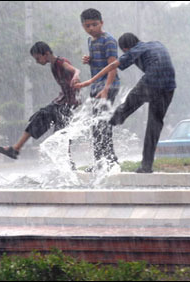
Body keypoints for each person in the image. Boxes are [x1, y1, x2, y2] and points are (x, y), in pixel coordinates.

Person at [75, 32, 176, 173]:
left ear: (125, 49)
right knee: (154, 126)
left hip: (150, 82)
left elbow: (112, 66)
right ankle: (146, 166)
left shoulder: (134, 50)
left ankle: (106, 126)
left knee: (123, 110)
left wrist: (91, 81)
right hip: (169, 87)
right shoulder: (156, 44)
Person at [0, 41, 81, 166]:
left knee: (61, 134)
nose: (37, 61)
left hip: (67, 104)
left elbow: (75, 70)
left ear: (47, 54)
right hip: (62, 102)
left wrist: (76, 76)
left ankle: (68, 162)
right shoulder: (53, 65)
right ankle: (16, 149)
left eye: (38, 58)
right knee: (51, 127)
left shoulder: (60, 62)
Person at [80, 8, 120, 171]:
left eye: (94, 25)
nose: (91, 28)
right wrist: (89, 60)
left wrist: (106, 89)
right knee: (96, 125)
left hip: (107, 87)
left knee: (102, 124)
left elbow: (112, 67)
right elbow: (101, 63)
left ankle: (109, 161)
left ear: (101, 23)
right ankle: (101, 161)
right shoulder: (91, 41)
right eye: (87, 26)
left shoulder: (108, 40)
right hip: (96, 87)